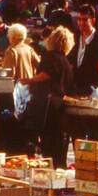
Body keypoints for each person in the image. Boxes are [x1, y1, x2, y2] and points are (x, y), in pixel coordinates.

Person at [26, 26, 74, 166]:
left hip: (47, 106)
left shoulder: (50, 56)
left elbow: (46, 74)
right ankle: (60, 171)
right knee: (58, 144)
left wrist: (30, 80)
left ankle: (49, 173)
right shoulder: (65, 60)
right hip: (59, 105)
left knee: (47, 144)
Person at [68, 4, 98, 96]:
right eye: (79, 19)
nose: (81, 23)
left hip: (94, 90)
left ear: (93, 20)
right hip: (74, 88)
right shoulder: (73, 37)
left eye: (85, 20)